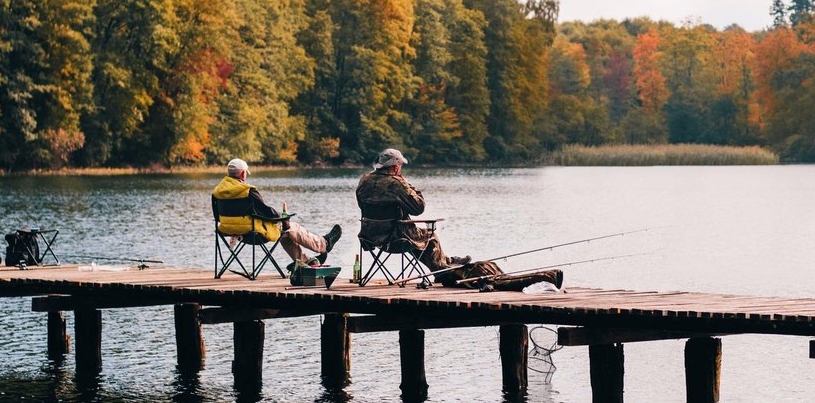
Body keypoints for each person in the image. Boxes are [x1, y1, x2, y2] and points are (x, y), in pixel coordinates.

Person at [355, 148, 563, 291]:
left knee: (421, 241)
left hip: (372, 238)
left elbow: (362, 205)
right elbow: (418, 208)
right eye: (401, 166)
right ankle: (445, 270)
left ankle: (447, 265)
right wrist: (408, 185)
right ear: (396, 167)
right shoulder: (396, 183)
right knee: (430, 237)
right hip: (396, 237)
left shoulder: (364, 181)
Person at [213, 158, 341, 271]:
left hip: (230, 232)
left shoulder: (218, 192)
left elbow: (217, 216)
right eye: (245, 173)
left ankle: (307, 261)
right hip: (253, 233)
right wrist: (281, 217)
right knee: (291, 227)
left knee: (285, 234)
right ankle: (324, 244)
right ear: (242, 173)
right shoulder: (247, 191)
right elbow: (267, 212)